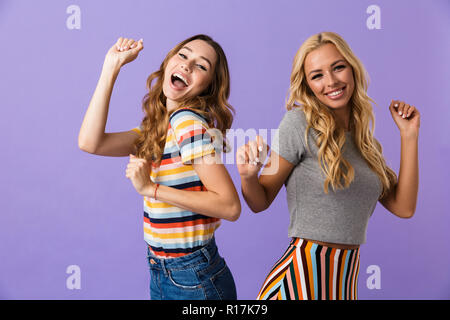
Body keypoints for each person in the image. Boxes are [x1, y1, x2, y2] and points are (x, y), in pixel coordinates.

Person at [236, 32, 420, 300]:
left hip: (344, 281)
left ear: (352, 69)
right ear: (308, 84)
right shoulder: (299, 124)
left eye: (338, 67)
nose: (331, 81)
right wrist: (248, 176)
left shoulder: (366, 143)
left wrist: (409, 136)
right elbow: (259, 201)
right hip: (301, 278)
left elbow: (404, 207)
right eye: (317, 75)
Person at [78, 34, 241, 300]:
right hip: (164, 271)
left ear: (209, 86)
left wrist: (151, 189)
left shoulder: (187, 124)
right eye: (183, 55)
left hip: (194, 277)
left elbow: (230, 206)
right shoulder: (157, 127)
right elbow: (90, 142)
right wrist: (111, 67)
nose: (187, 65)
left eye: (201, 66)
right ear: (168, 63)